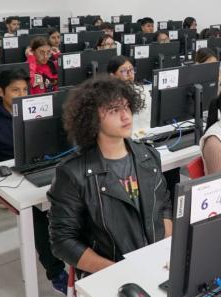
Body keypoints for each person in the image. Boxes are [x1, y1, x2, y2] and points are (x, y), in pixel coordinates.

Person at [48, 76, 173, 274]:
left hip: (157, 264)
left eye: (127, 107)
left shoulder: (148, 156)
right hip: (111, 273)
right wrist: (118, 271)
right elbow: (63, 242)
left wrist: (164, 251)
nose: (126, 116)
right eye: (114, 110)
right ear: (92, 119)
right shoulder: (72, 173)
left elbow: (164, 206)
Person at [0, 68, 69, 294]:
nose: (21, 94)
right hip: (9, 181)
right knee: (38, 213)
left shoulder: (35, 112)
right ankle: (56, 272)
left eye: (25, 89)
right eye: (15, 90)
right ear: (0, 92)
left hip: (39, 167)